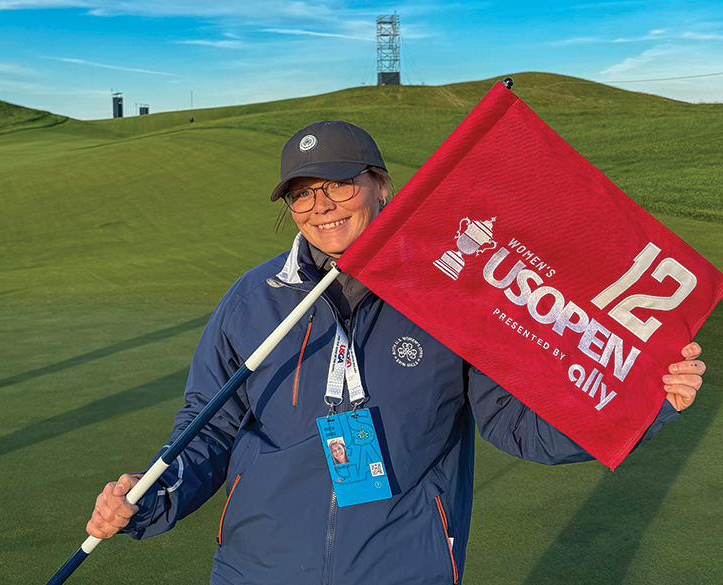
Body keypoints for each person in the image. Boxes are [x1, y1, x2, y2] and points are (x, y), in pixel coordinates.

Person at [87, 121, 706, 584]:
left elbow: (518, 426)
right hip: (257, 567)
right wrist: (148, 499)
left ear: (381, 185)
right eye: (302, 194)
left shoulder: (450, 292)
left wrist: (645, 402)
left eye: (338, 185)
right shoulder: (252, 299)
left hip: (403, 567)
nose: (320, 206)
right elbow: (208, 428)